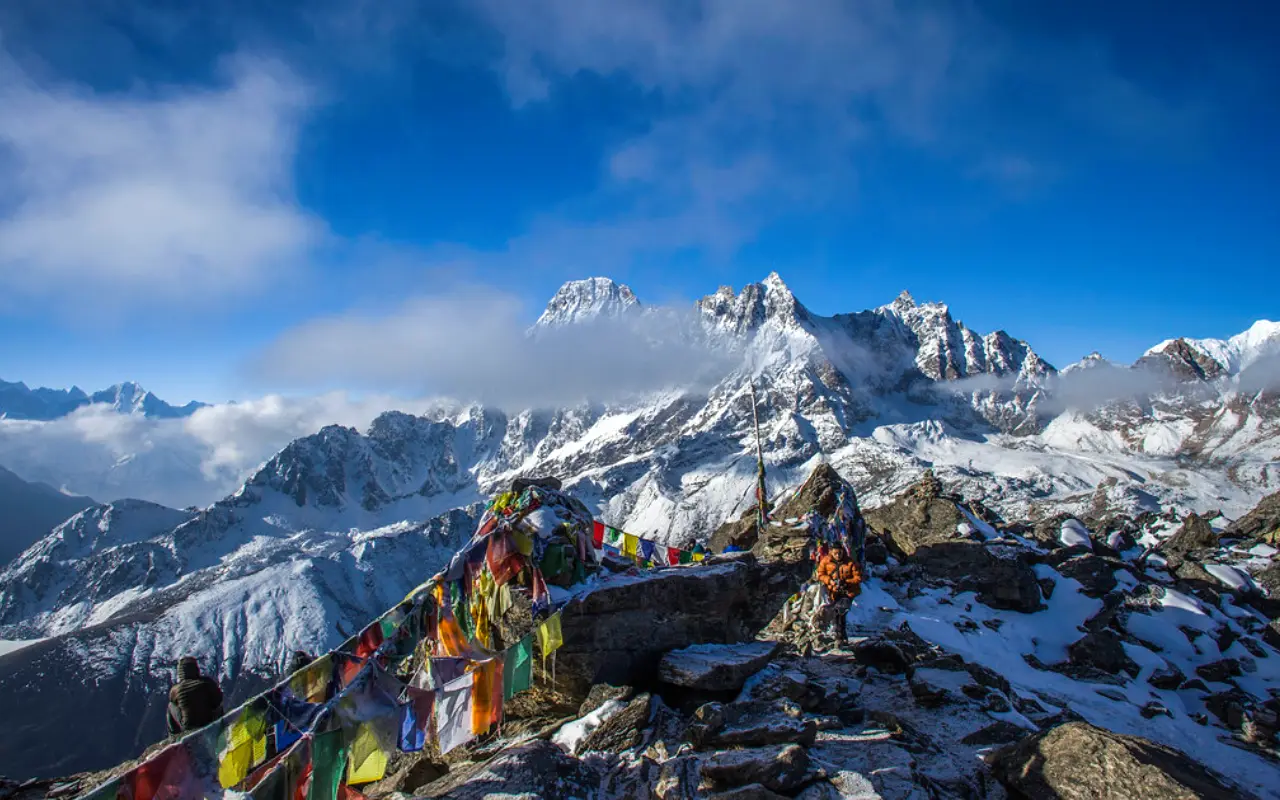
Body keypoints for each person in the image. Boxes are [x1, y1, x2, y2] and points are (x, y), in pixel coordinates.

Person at [814, 544, 863, 645]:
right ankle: (840, 636)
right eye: (835, 553)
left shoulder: (850, 562)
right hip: (833, 591)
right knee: (837, 612)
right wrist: (830, 581)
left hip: (848, 592)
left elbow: (858, 577)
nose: (838, 555)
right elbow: (820, 574)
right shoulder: (826, 561)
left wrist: (846, 582)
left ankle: (840, 635)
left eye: (840, 553)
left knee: (841, 610)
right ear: (831, 551)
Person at [167, 656, 224, 735]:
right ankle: (222, 726)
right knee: (219, 706)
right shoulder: (206, 682)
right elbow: (218, 699)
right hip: (209, 720)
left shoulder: (175, 689)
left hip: (188, 726)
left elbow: (174, 703)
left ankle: (174, 735)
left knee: (170, 706)